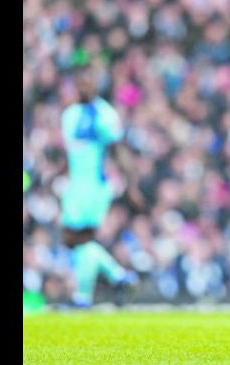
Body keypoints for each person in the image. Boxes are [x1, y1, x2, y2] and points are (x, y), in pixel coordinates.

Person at [60, 65, 143, 307]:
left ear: (96, 84)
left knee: (76, 239)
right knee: (78, 242)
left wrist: (132, 185)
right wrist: (55, 174)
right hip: (75, 185)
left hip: (94, 186)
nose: (84, 86)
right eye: (80, 82)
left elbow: (119, 152)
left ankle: (84, 296)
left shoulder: (105, 114)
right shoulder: (70, 114)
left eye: (88, 82)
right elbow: (71, 154)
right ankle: (119, 278)